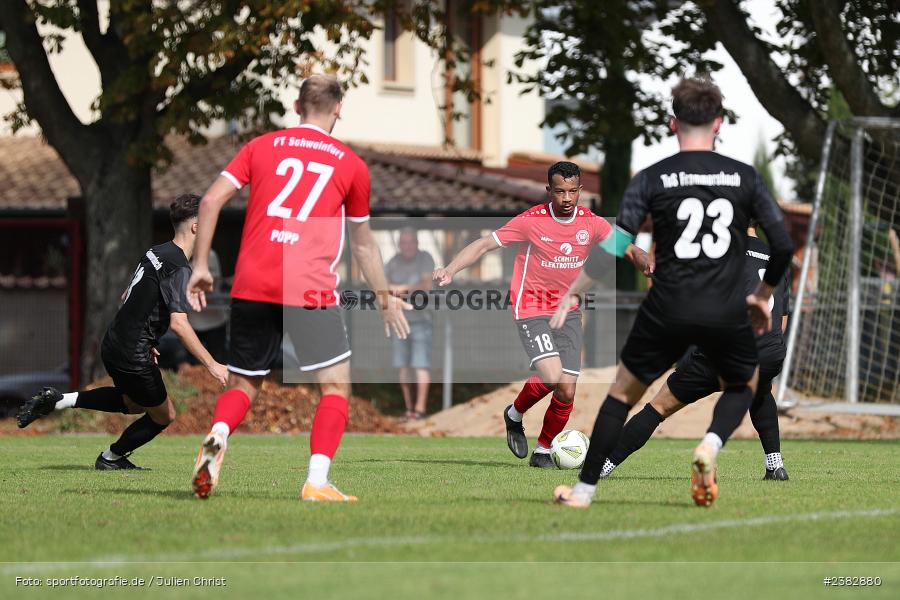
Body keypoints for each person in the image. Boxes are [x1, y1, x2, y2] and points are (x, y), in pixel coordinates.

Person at [553, 77, 793, 508]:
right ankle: (711, 445)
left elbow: (613, 245)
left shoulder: (652, 177)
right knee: (747, 385)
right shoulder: (744, 179)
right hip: (723, 311)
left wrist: (574, 290)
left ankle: (584, 492)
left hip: (667, 308)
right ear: (718, 123)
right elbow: (784, 245)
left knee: (622, 397)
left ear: (671, 124)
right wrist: (764, 294)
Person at [187, 74, 409, 502]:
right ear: (339, 108)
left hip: (252, 282)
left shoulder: (259, 147)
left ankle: (217, 435)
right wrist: (384, 298)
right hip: (308, 287)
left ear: (296, 105)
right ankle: (318, 481)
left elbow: (210, 201)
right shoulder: (350, 164)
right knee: (335, 387)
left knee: (245, 382)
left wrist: (200, 264)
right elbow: (363, 245)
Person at [434, 162, 651, 468]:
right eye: (560, 191)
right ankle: (514, 414)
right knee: (550, 376)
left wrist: (643, 261)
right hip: (531, 307)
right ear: (549, 191)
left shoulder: (591, 224)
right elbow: (484, 244)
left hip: (569, 310)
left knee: (566, 389)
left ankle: (543, 450)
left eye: (572, 191)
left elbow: (626, 247)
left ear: (580, 191)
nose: (566, 198)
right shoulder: (531, 220)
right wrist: (451, 269)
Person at [554, 224, 791, 482]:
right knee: (760, 389)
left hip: (724, 349)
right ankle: (775, 465)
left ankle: (603, 466)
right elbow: (781, 321)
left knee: (658, 407)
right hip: (769, 351)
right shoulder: (777, 256)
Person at [16, 194, 229, 469]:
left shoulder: (156, 252)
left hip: (114, 343)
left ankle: (60, 400)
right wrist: (212, 365)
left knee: (134, 403)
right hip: (133, 350)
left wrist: (144, 334)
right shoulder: (179, 266)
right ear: (197, 227)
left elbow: (127, 295)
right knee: (164, 416)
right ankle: (111, 457)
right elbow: (179, 323)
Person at [386, 228, 435, 420]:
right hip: (400, 321)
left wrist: (400, 289)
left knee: (420, 365)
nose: (407, 246)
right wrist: (396, 290)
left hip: (421, 320)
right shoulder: (393, 262)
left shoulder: (425, 258)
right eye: (403, 242)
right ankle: (409, 410)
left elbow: (426, 285)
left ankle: (420, 410)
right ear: (400, 245)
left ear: (417, 243)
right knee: (403, 366)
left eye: (410, 242)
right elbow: (383, 285)